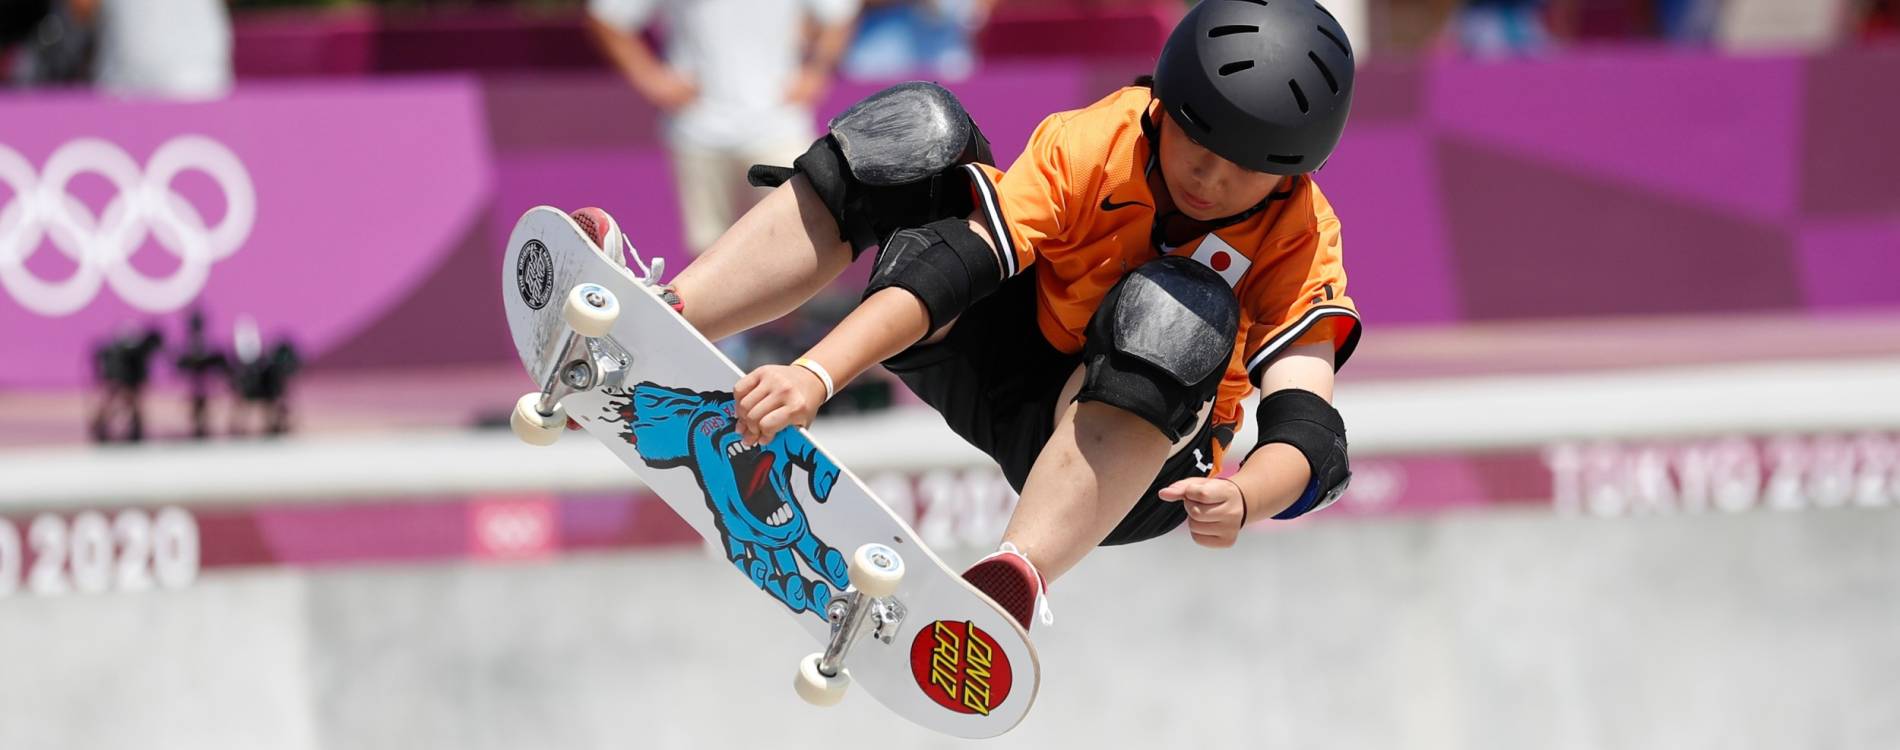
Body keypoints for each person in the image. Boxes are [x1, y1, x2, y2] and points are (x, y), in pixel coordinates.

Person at [583, 0, 1361, 631]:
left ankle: (1012, 580)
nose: (1208, 177)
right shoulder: (1099, 141)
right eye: (1197, 140)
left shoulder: (1300, 238)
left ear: (1292, 174)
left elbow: (1307, 427)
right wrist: (817, 373)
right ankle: (667, 313)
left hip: (1137, 467)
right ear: (1164, 106)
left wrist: (1249, 496)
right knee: (917, 132)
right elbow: (959, 264)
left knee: (1174, 310)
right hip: (1002, 364)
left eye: (1245, 170)